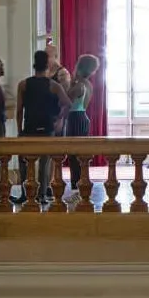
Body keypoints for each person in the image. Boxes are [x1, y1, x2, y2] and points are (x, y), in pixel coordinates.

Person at [18, 49, 67, 201]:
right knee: (44, 164)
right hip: (47, 128)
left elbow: (19, 111)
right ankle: (42, 194)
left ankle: (26, 194)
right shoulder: (53, 85)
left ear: (34, 64)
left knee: (25, 163)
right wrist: (59, 119)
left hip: (30, 127)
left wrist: (20, 131)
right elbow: (67, 104)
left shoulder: (24, 84)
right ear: (47, 65)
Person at [63, 54, 97, 195]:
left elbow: (64, 100)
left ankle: (77, 189)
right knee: (79, 155)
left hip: (75, 118)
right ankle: (81, 186)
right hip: (83, 116)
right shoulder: (88, 84)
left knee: (73, 155)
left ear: (80, 67)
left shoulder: (79, 86)